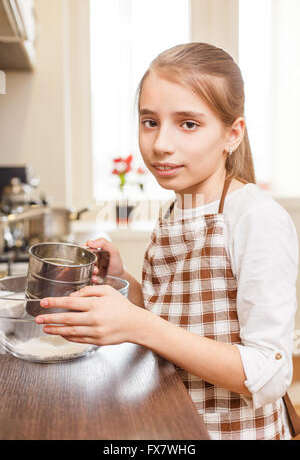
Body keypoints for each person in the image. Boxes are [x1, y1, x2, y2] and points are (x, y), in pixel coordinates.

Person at [35, 43, 298, 440]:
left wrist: (138, 325)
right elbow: (175, 316)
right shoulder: (177, 207)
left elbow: (269, 373)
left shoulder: (255, 219)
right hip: (173, 421)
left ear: (232, 134)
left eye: (188, 124)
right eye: (150, 122)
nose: (160, 144)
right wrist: (123, 284)